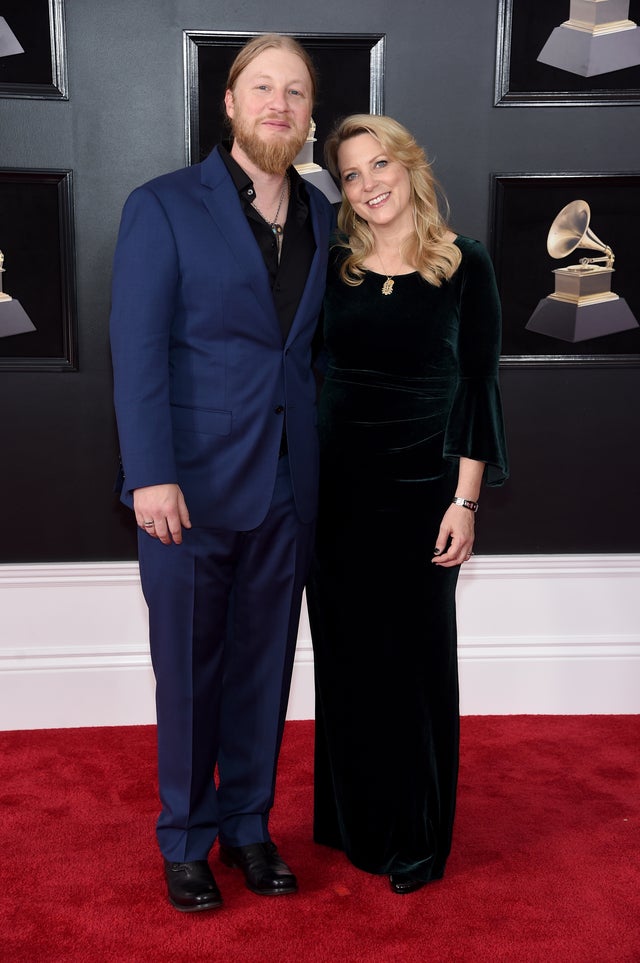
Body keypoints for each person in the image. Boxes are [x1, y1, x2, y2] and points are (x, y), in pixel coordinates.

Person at [109, 34, 334, 913]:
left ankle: (247, 825)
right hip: (188, 488)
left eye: (297, 92)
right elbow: (137, 353)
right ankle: (187, 838)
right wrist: (150, 473)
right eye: (263, 88)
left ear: (309, 115)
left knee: (263, 666)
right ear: (230, 104)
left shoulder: (324, 215)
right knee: (190, 670)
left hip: (289, 484)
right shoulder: (162, 206)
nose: (280, 104)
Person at [306, 114, 508, 895]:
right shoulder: (335, 266)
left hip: (424, 491)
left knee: (416, 667)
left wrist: (466, 501)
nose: (368, 185)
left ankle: (418, 834)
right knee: (350, 659)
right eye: (351, 175)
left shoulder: (466, 265)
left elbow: (480, 387)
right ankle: (353, 819)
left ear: (409, 167)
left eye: (378, 164)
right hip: (336, 493)